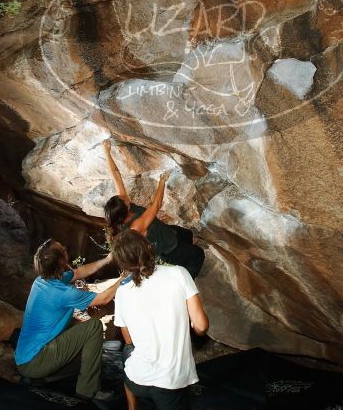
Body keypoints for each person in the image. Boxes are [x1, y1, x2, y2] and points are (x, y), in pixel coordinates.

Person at [15, 239, 124, 401]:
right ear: (61, 260)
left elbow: (79, 272)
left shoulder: (42, 281)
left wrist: (107, 260)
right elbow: (104, 299)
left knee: (89, 356)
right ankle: (88, 392)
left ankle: (41, 379)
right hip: (36, 361)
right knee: (93, 327)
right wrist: (124, 278)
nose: (67, 250)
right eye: (64, 250)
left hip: (24, 360)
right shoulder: (63, 292)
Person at [112, 230, 209, 410]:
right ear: (149, 247)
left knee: (129, 353)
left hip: (136, 380)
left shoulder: (122, 292)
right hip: (169, 385)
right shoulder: (179, 274)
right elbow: (202, 326)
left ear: (123, 263)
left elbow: (128, 340)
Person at [102, 138, 205, 278]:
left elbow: (116, 175)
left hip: (166, 231)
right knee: (197, 255)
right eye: (124, 200)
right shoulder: (135, 227)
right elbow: (156, 205)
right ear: (124, 213)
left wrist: (107, 151)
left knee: (187, 235)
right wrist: (162, 181)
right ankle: (186, 283)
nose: (125, 197)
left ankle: (191, 242)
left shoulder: (123, 208)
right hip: (167, 248)